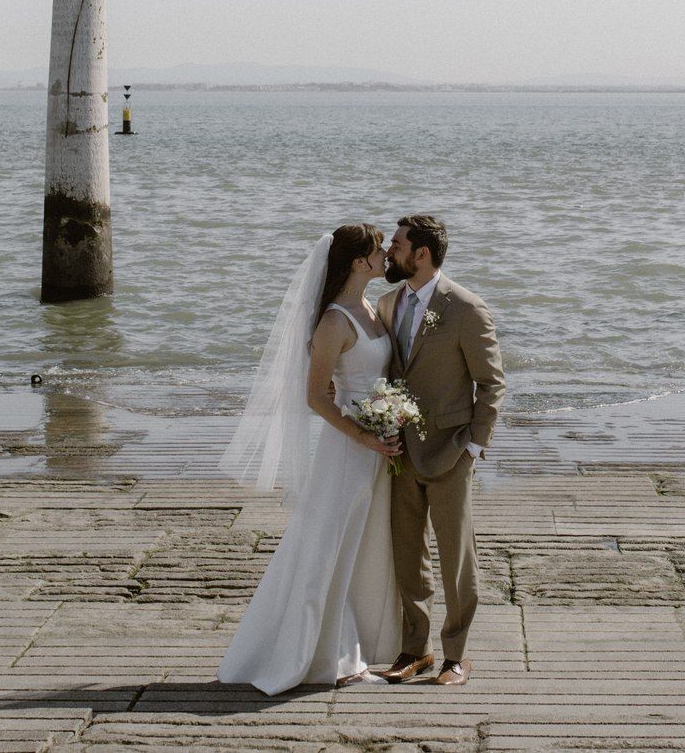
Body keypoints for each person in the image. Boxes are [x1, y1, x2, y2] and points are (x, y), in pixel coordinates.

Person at [216, 224, 403, 693]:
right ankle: (309, 655)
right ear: (360, 262)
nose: (385, 255)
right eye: (378, 250)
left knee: (357, 548)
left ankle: (348, 648)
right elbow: (316, 398)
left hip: (376, 445)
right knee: (324, 545)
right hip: (347, 450)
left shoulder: (370, 310)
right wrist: (363, 435)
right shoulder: (335, 321)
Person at [374, 214, 505, 688]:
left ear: (421, 253)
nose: (390, 251)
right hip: (399, 451)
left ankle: (457, 656)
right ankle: (416, 650)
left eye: (397, 244)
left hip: (451, 450)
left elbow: (491, 384)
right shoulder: (387, 304)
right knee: (408, 553)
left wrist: (473, 445)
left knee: (456, 556)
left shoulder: (466, 308)